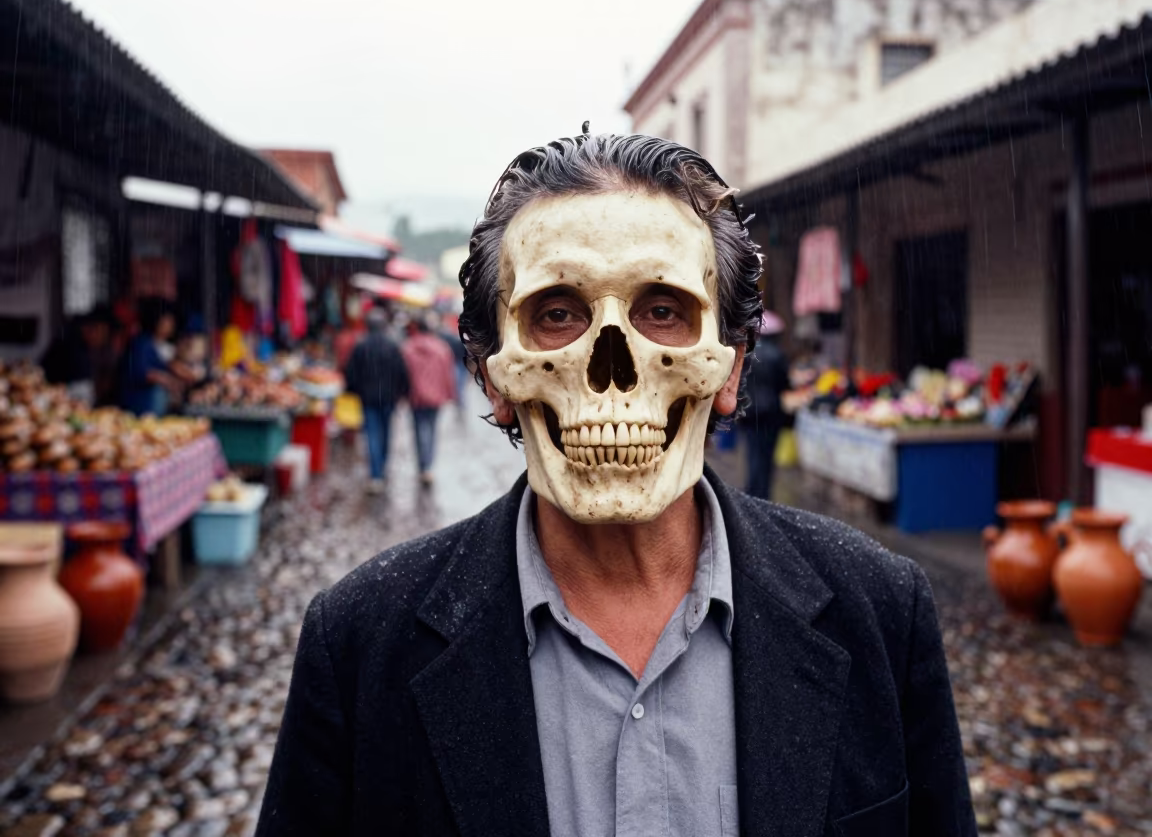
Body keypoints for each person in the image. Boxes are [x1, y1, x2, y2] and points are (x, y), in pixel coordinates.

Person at [258, 134, 975, 836]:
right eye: (557, 315)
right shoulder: (358, 645)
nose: (611, 371)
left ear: (729, 366)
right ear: (490, 372)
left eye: (663, 312)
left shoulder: (880, 613)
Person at [343, 309, 409, 493]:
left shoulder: (361, 346)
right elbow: (401, 372)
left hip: (368, 398)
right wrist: (402, 393)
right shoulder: (392, 346)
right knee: (386, 432)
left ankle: (375, 475)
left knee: (372, 434)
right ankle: (382, 466)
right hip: (387, 398)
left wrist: (354, 390)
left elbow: (351, 374)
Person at [400, 316, 456, 485]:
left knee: (418, 430)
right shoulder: (441, 348)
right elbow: (448, 373)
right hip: (435, 396)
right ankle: (428, 467)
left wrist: (404, 394)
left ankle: (422, 465)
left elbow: (403, 374)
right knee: (431, 430)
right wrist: (450, 393)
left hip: (416, 397)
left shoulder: (408, 348)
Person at [741, 310, 790, 499]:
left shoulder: (747, 353)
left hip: (749, 412)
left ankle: (752, 492)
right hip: (770, 413)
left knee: (752, 454)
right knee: (766, 457)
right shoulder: (777, 355)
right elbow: (784, 384)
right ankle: (762, 495)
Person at [117, 299, 181, 416]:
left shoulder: (155, 344)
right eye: (168, 320)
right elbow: (141, 372)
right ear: (157, 321)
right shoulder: (141, 343)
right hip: (139, 406)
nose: (172, 324)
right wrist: (167, 380)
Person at [41, 306, 117, 406]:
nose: (102, 340)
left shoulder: (74, 341)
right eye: (102, 334)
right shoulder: (73, 348)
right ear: (89, 329)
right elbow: (81, 397)